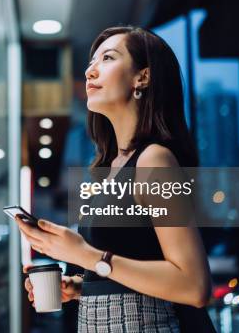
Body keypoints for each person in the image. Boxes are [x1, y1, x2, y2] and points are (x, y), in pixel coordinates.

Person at [18, 26, 214, 332]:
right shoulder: (110, 167)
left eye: (107, 58)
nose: (89, 72)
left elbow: (194, 285)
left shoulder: (154, 160)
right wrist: (81, 287)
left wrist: (86, 255)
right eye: (91, 62)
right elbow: (136, 265)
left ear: (143, 77)